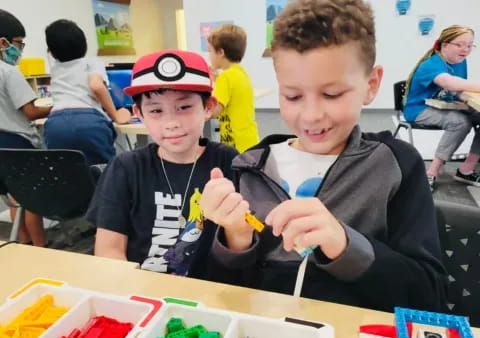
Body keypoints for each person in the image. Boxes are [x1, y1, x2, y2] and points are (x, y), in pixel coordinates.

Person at [200, 0, 447, 312]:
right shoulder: (249, 168)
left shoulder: (396, 166)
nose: (312, 115)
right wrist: (235, 239)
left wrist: (345, 245)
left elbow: (429, 296)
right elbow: (217, 293)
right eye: (292, 96)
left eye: (332, 94)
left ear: (371, 85)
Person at [87, 50, 238, 277]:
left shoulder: (227, 162)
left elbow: (239, 248)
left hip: (208, 294)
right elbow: (109, 251)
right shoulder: (126, 168)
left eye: (184, 107)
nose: (171, 123)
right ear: (139, 113)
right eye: (156, 110)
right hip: (142, 292)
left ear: (208, 107)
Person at [44, 19, 131, 165]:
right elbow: (96, 86)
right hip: (89, 122)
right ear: (84, 45)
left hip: (55, 123)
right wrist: (115, 115)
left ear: (51, 53)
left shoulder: (55, 69)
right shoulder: (92, 62)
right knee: (104, 173)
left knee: (66, 172)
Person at [404, 25, 480, 190]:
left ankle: (466, 170)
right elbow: (449, 83)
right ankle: (431, 173)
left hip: (444, 105)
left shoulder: (460, 61)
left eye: (469, 45)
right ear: (445, 45)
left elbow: (458, 89)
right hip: (418, 110)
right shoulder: (431, 64)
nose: (465, 50)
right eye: (459, 45)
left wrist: (467, 102)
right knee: (461, 122)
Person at [0, 9, 51, 247]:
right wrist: (56, 107)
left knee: (14, 199)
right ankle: (41, 249)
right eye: (19, 44)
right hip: (17, 143)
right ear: (3, 43)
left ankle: (23, 245)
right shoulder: (9, 72)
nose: (20, 50)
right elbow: (30, 111)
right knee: (33, 201)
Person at [207, 24, 259, 153]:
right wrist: (216, 80)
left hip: (235, 144)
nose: (209, 56)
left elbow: (213, 112)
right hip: (248, 140)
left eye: (210, 51)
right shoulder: (240, 73)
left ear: (221, 52)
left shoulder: (226, 77)